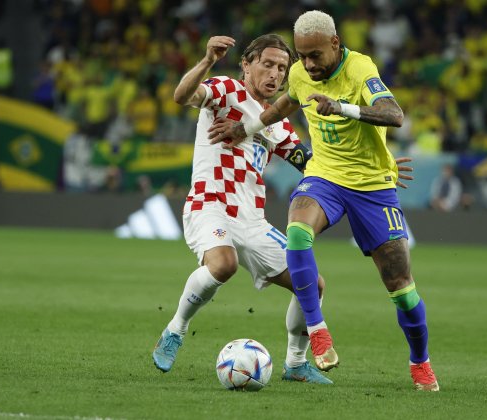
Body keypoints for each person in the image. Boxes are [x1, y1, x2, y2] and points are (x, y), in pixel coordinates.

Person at [209, 10, 439, 391]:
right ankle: (317, 330)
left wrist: (341, 107)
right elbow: (285, 105)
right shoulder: (300, 74)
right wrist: (244, 127)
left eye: (315, 55)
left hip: (372, 187)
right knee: (298, 230)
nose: (307, 65)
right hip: (325, 176)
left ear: (335, 44)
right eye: (301, 56)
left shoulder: (361, 69)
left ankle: (420, 363)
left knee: (401, 286)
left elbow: (394, 115)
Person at [152, 34, 333, 384]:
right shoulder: (225, 90)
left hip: (252, 219)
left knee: (312, 284)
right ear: (246, 65)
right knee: (224, 263)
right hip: (210, 204)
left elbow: (312, 166)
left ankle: (295, 363)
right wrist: (206, 60)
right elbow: (182, 96)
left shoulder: (278, 123)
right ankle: (175, 329)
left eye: (282, 68)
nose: (275, 74)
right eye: (267, 64)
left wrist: (374, 168)